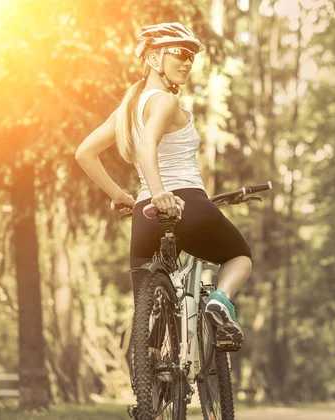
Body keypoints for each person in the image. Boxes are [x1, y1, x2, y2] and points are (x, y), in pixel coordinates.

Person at [75, 22, 251, 343]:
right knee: (240, 257)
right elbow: (146, 146)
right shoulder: (165, 101)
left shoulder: (128, 109)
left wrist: (119, 195)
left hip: (144, 220)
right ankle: (219, 301)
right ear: (155, 59)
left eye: (191, 58)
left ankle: (153, 377)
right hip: (185, 205)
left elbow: (85, 153)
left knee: (146, 320)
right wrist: (160, 194)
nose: (187, 62)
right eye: (180, 54)